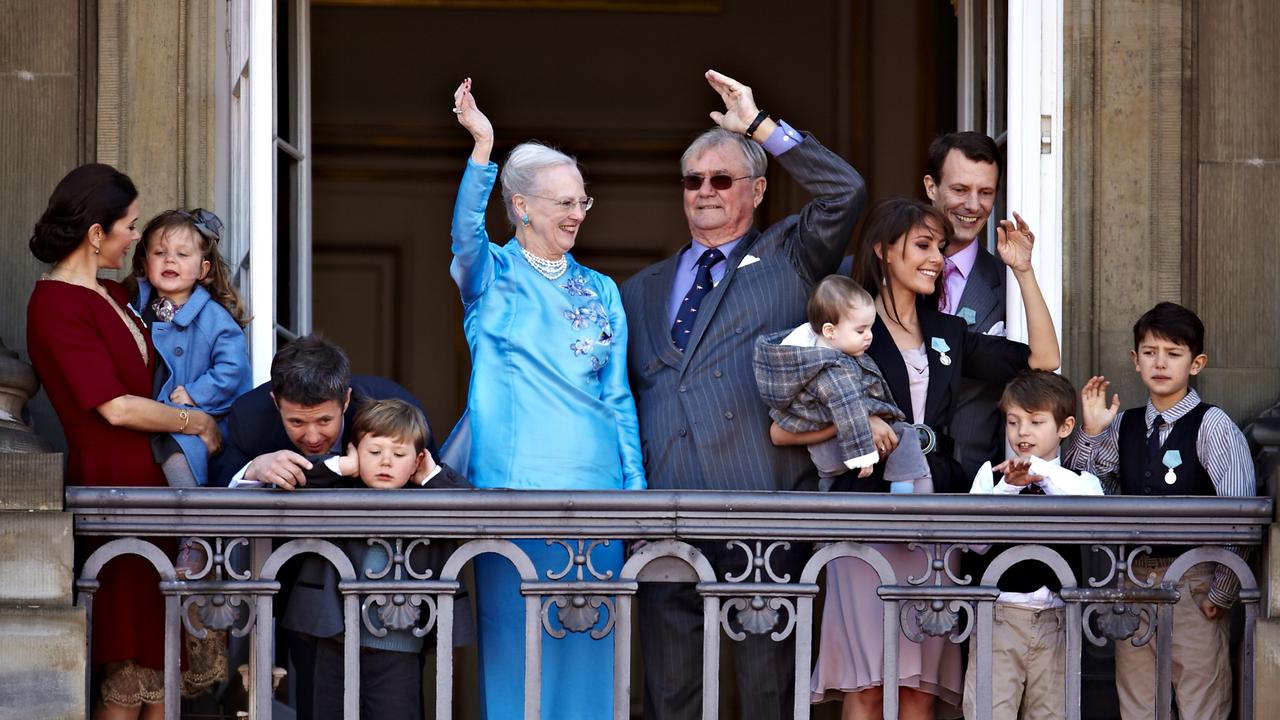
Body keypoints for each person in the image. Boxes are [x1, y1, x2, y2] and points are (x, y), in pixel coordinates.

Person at [620, 69, 866, 720]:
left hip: (759, 503)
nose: (704, 191)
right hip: (664, 512)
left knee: (767, 694)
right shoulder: (641, 288)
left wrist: (760, 127)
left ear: (756, 191)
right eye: (693, 180)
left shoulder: (789, 256)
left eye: (721, 179)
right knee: (670, 695)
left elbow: (846, 191)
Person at [804, 197, 1059, 720]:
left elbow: (1044, 361)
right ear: (883, 249)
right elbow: (789, 424)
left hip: (937, 512)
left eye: (940, 249)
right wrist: (859, 422)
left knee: (920, 687)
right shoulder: (845, 328)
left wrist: (1024, 273)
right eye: (923, 246)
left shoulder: (947, 330)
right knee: (868, 682)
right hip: (867, 509)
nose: (937, 259)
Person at [447, 77, 646, 720]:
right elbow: (465, 240)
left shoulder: (603, 288)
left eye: (582, 202)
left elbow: (618, 396)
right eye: (561, 202)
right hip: (514, 495)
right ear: (522, 206)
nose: (575, 214)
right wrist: (483, 150)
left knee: (594, 664)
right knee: (519, 662)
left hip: (600, 499)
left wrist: (636, 495)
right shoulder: (492, 276)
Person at [26, 164, 223, 718]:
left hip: (151, 485)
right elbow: (113, 406)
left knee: (159, 659)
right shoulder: (55, 303)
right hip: (113, 488)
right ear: (96, 233)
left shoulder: (114, 293)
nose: (138, 238)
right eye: (131, 225)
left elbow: (190, 296)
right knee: (131, 660)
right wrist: (198, 423)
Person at [208, 334, 458, 720]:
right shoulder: (250, 416)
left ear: (346, 400)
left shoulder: (391, 407)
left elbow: (433, 483)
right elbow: (217, 485)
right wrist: (253, 470)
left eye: (325, 420)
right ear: (276, 404)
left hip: (395, 606)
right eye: (296, 422)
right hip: (304, 595)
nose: (312, 436)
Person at [1064, 302, 1255, 720]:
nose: (1161, 363)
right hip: (1133, 581)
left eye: (1174, 352)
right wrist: (1091, 432)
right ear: (1135, 360)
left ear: (1196, 362)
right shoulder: (1124, 425)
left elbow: (1240, 514)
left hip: (1195, 582)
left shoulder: (1212, 426)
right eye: (1150, 352)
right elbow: (1074, 489)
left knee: (1201, 703)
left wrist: (1220, 592)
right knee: (1138, 706)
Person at [267, 399, 470, 720]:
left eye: (399, 455)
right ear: (355, 452)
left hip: (400, 646)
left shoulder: (432, 496)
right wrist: (344, 466)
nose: (386, 462)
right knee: (327, 711)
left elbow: (472, 507)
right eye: (374, 453)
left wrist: (430, 475)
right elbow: (297, 484)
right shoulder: (339, 484)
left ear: (417, 460)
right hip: (333, 637)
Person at [962, 370, 1102, 720]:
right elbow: (974, 545)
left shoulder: (1077, 480)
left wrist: (1040, 469)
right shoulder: (990, 475)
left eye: (1036, 421)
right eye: (1013, 422)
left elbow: (1095, 511)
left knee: (1053, 712)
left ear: (1065, 427)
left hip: (1056, 620)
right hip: (999, 619)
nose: (1022, 432)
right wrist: (1008, 488)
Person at [126, 208, 251, 576]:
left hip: (203, 419)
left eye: (183, 255)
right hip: (150, 414)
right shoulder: (135, 307)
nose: (170, 261)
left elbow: (233, 371)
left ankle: (195, 537)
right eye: (160, 253)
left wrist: (195, 395)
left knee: (179, 451)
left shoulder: (213, 317)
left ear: (203, 269)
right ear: (144, 260)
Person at [754, 275, 930, 493]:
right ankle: (903, 494)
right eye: (861, 330)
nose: (869, 336)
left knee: (832, 487)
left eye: (870, 328)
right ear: (830, 331)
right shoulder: (833, 369)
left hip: (828, 456)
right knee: (906, 434)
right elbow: (847, 406)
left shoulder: (813, 356)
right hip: (845, 449)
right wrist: (863, 454)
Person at [924, 132, 1013, 479]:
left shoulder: (1010, 286)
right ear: (931, 187)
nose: (973, 206)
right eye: (960, 190)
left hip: (973, 480)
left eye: (986, 192)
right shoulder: (882, 272)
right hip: (888, 481)